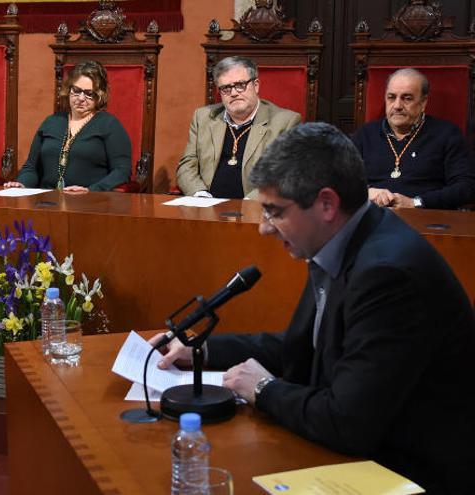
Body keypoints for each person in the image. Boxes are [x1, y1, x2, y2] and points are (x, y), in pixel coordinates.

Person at [151, 122, 475, 494]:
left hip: (409, 472)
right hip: (359, 453)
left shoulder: (388, 274)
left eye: (274, 211)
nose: (265, 229)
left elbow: (349, 422)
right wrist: (202, 349)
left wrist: (266, 389)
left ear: (326, 204)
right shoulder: (343, 239)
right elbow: (303, 346)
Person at [176, 56, 301, 199]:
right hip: (207, 208)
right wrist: (200, 194)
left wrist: (247, 204)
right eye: (226, 88)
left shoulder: (285, 122)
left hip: (255, 210)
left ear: (256, 85)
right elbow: (187, 166)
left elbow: (284, 174)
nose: (234, 93)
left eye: (240, 85)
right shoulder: (203, 117)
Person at [352, 68, 475, 209]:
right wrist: (366, 192)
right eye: (391, 97)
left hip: (427, 219)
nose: (397, 105)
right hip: (372, 216)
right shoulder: (365, 134)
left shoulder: (447, 134)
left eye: (407, 98)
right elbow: (339, 181)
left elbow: (466, 187)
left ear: (423, 103)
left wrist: (416, 202)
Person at [4, 60, 131, 192]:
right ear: (68, 89)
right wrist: (21, 184)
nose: (81, 98)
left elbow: (122, 171)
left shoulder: (109, 124)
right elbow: (31, 168)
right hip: (46, 201)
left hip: (89, 203)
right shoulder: (51, 122)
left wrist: (91, 190)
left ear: (99, 96)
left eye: (89, 93)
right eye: (76, 90)